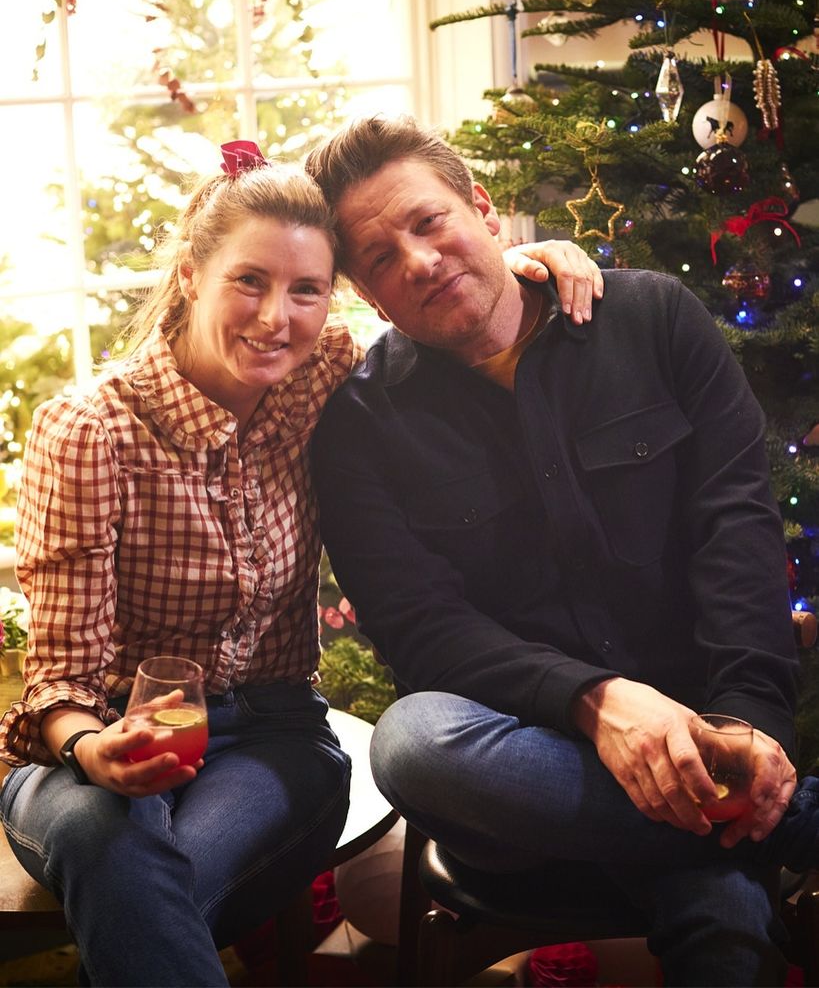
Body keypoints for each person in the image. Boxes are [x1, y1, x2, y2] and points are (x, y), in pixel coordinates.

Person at [0, 139, 601, 987]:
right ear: (189, 276)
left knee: (140, 888)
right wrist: (95, 748)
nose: (275, 317)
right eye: (249, 280)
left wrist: (529, 261)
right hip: (92, 749)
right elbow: (58, 678)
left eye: (305, 290)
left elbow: (445, 302)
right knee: (110, 845)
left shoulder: (325, 373)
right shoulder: (92, 431)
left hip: (271, 737)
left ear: (332, 298)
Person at [305, 115, 819, 986]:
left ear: (485, 209)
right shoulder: (357, 424)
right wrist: (599, 704)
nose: (420, 261)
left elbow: (735, 534)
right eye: (381, 258)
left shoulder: (653, 319)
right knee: (411, 740)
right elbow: (424, 632)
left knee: (714, 909)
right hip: (529, 789)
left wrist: (744, 726)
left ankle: (716, 842)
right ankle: (786, 823)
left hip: (710, 731)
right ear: (365, 294)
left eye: (428, 223)